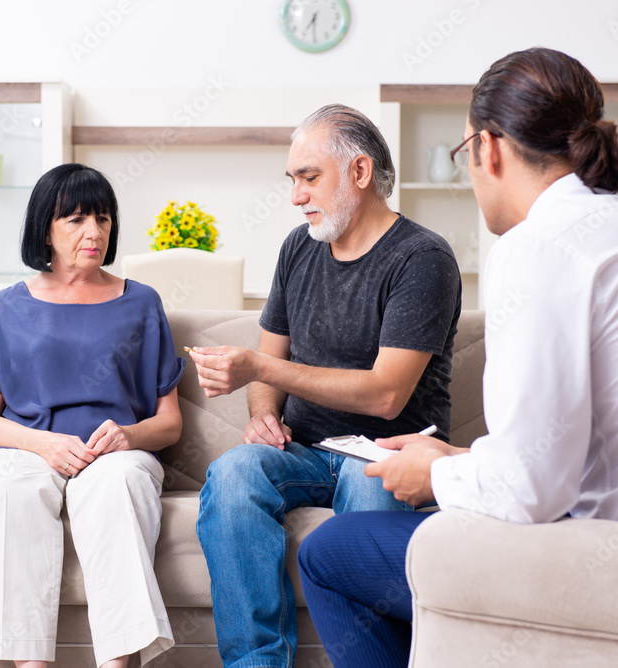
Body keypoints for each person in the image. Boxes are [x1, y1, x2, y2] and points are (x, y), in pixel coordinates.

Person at [297, 47, 618, 668]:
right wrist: (462, 456)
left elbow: (531, 489)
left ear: (488, 148)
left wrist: (434, 476)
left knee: (330, 553)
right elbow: (605, 446)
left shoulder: (540, 246)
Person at [189, 104, 461, 667]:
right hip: (306, 450)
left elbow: (386, 394)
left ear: (359, 173)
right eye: (292, 180)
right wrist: (263, 413)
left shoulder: (422, 258)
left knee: (368, 491)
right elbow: (271, 354)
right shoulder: (298, 248)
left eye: (309, 178)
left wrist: (261, 372)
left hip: (385, 451)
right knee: (234, 473)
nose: (295, 196)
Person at [0, 163, 186, 668]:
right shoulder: (6, 307)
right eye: (77, 220)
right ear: (45, 227)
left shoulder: (141, 303)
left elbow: (170, 423)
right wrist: (42, 444)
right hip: (29, 449)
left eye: (104, 219)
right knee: (6, 483)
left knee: (116, 485)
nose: (95, 233)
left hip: (114, 456)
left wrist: (129, 435)